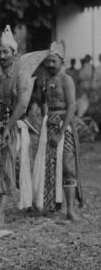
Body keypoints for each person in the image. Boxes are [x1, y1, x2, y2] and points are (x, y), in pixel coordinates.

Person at [0, 26, 36, 229]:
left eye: (5, 51)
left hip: (14, 126)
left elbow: (22, 105)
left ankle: (0, 215)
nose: (1, 56)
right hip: (0, 126)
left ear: (14, 54)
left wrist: (7, 127)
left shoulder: (21, 76)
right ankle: (27, 202)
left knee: (7, 168)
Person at [32, 42, 83, 219]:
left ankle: (70, 209)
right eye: (48, 61)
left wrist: (61, 132)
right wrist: (45, 119)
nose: (50, 65)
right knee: (49, 166)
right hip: (49, 124)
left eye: (53, 61)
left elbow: (71, 107)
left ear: (62, 61)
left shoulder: (66, 80)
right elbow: (43, 101)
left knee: (68, 166)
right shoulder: (44, 80)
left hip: (64, 126)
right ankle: (51, 206)